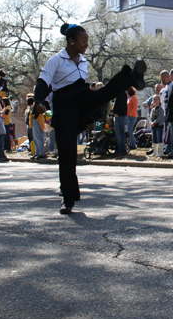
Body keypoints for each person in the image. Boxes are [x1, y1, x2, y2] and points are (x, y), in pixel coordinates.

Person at [34, 23, 146, 214]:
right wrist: (39, 100)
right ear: (72, 41)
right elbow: (43, 82)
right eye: (84, 40)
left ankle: (130, 78)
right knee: (68, 154)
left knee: (102, 94)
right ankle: (68, 198)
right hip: (64, 107)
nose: (86, 44)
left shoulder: (84, 61)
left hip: (82, 98)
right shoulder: (57, 59)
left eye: (87, 41)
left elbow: (84, 86)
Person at [112, 87, 129, 156]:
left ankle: (122, 150)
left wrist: (116, 113)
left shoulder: (121, 94)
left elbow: (120, 105)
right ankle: (119, 149)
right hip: (120, 115)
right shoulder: (122, 93)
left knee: (120, 134)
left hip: (120, 116)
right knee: (118, 134)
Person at [126, 87, 139, 152]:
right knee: (128, 131)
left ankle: (133, 143)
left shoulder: (134, 97)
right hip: (128, 116)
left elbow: (135, 106)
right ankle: (131, 143)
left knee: (129, 130)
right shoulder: (129, 98)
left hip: (132, 116)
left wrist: (130, 113)